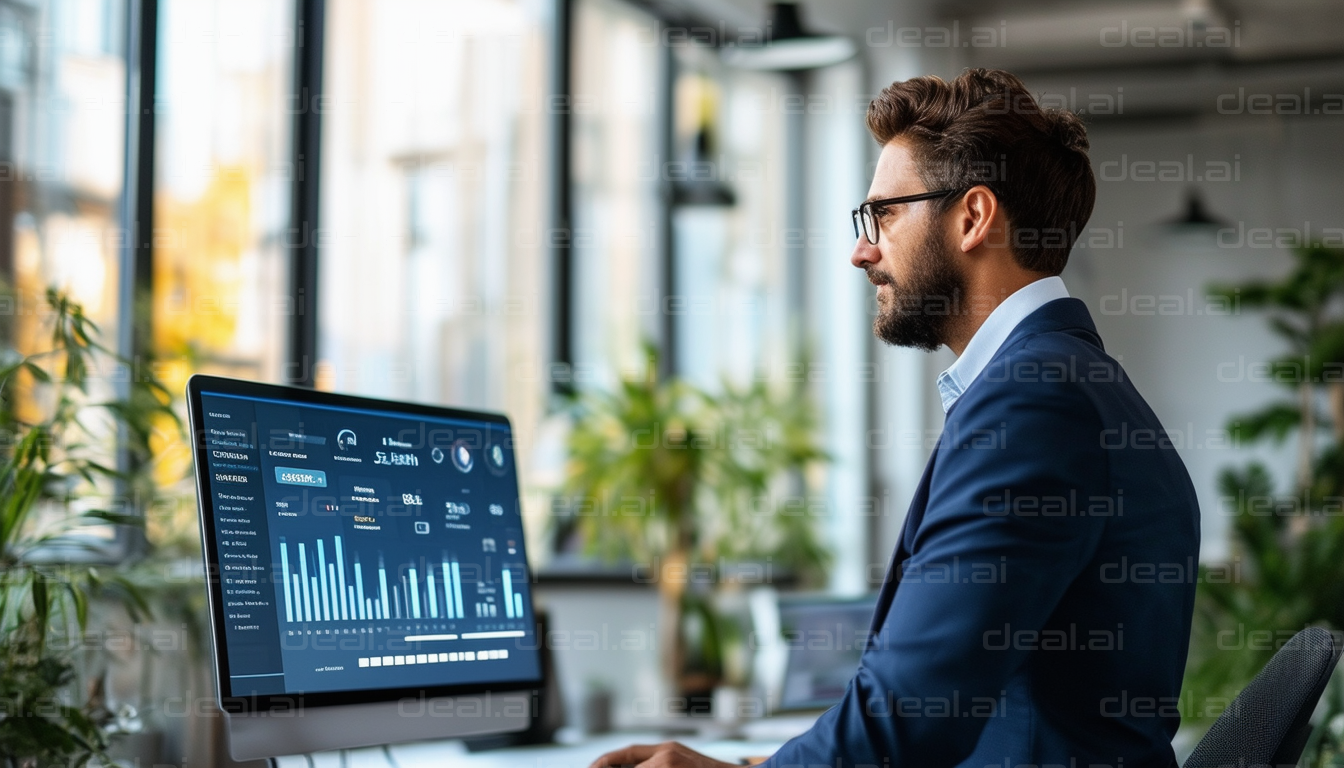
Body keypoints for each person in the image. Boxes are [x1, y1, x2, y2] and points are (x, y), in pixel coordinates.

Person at [591, 68, 1200, 768]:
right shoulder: (1076, 384)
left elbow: (913, 716)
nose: (861, 250)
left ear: (973, 217)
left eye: (883, 213)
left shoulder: (1035, 400)